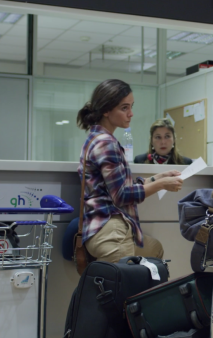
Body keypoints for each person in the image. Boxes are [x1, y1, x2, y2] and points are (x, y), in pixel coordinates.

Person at [77, 79, 184, 263]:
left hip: (103, 228)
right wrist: (160, 185)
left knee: (155, 250)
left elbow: (116, 187)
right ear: (106, 110)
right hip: (110, 230)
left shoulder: (96, 138)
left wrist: (156, 178)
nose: (131, 114)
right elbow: (121, 196)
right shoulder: (106, 142)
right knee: (125, 290)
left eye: (131, 107)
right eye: (124, 108)